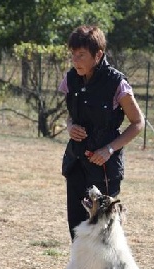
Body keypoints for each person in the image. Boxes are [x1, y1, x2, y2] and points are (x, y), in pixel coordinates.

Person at [59, 25, 145, 240]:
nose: (75, 61)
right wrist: (70, 127)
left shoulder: (117, 83)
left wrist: (109, 149)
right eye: (73, 55)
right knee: (77, 228)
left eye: (81, 55)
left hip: (104, 168)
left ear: (98, 55)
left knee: (104, 230)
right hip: (76, 161)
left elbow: (137, 122)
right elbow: (71, 116)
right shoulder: (71, 79)